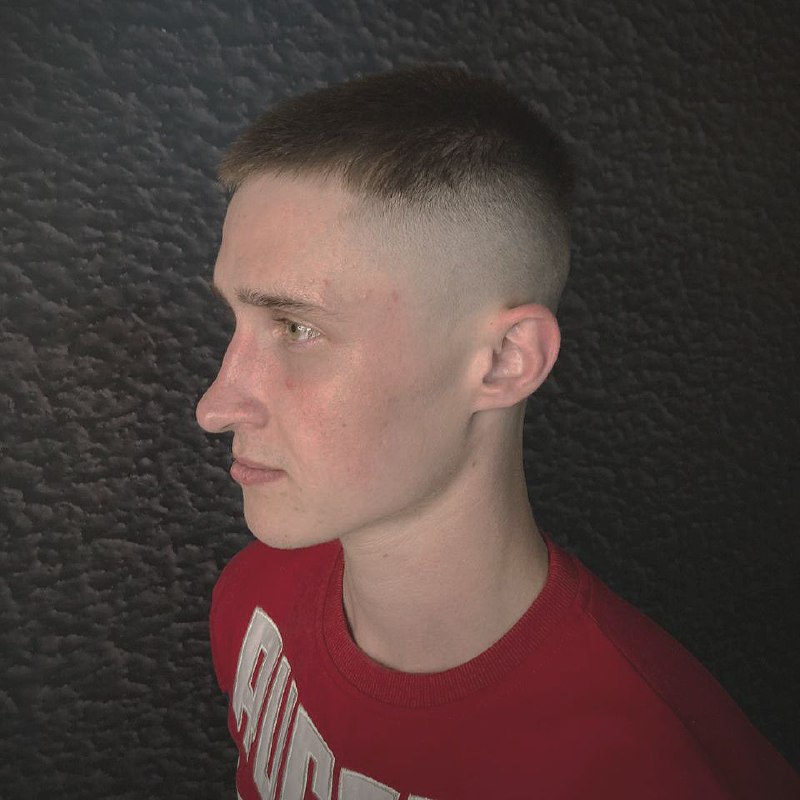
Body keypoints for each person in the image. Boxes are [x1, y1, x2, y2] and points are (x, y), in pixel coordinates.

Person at [195, 65, 797, 800]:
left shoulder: (649, 771)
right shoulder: (256, 605)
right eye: (236, 321)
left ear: (507, 361)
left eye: (297, 328)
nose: (215, 406)